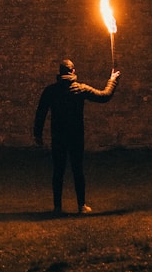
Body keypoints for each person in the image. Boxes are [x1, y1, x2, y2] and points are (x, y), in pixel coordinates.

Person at [33, 59, 120, 215]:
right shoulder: (80, 89)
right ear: (73, 72)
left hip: (58, 136)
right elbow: (104, 96)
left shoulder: (50, 91)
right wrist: (112, 80)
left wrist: (37, 134)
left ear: (60, 73)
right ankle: (81, 206)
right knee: (77, 170)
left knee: (58, 171)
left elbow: (41, 113)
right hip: (76, 136)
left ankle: (57, 207)